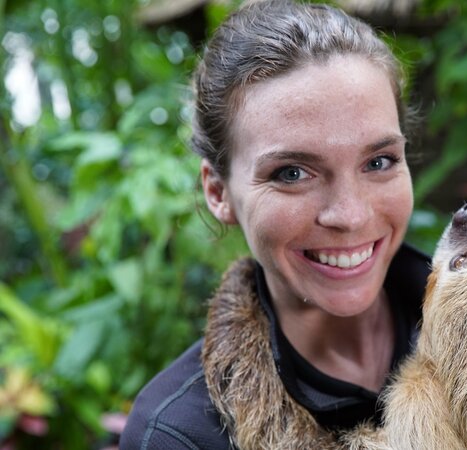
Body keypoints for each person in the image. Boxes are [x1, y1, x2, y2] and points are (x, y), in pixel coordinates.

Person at [119, 1, 430, 448]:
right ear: (218, 192)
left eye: (379, 161)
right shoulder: (182, 432)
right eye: (292, 173)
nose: (351, 215)